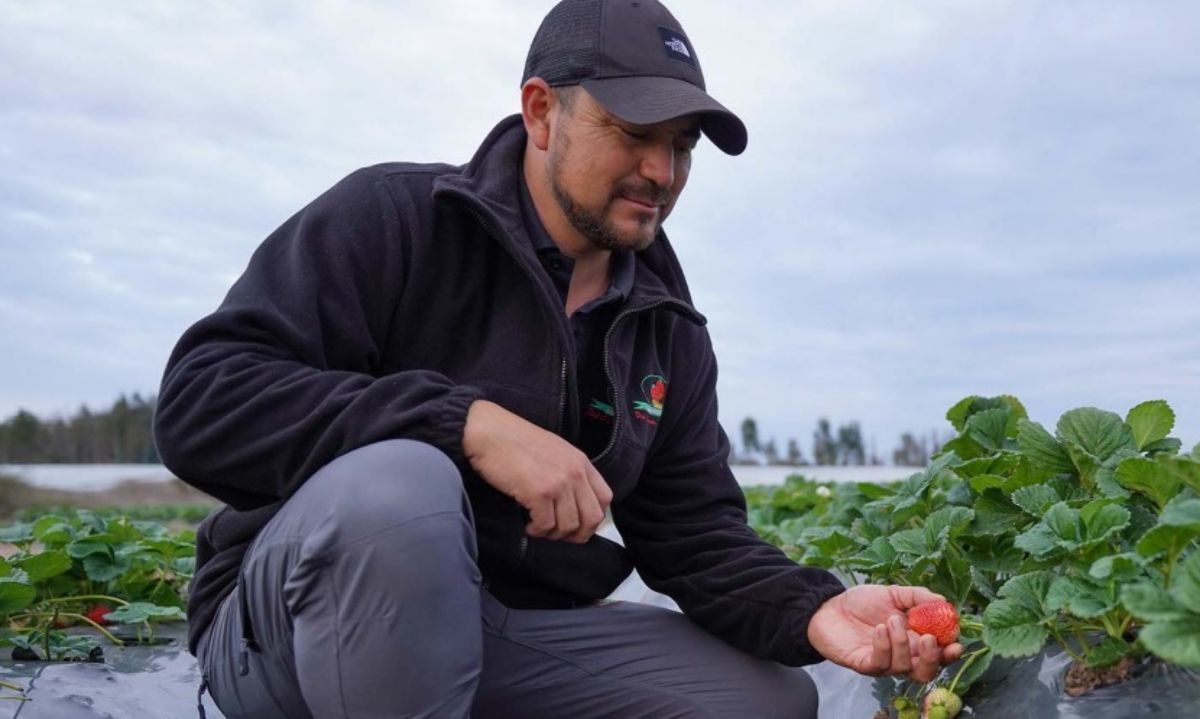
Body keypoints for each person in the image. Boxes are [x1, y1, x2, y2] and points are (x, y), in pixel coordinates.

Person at [155, 1, 963, 717]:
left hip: (497, 631)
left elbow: (692, 530)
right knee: (402, 486)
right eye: (634, 133)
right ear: (542, 112)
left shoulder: (664, 324)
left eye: (682, 145)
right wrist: (467, 423)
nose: (664, 171)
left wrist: (811, 608)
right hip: (292, 633)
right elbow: (202, 400)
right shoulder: (396, 220)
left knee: (764, 699)